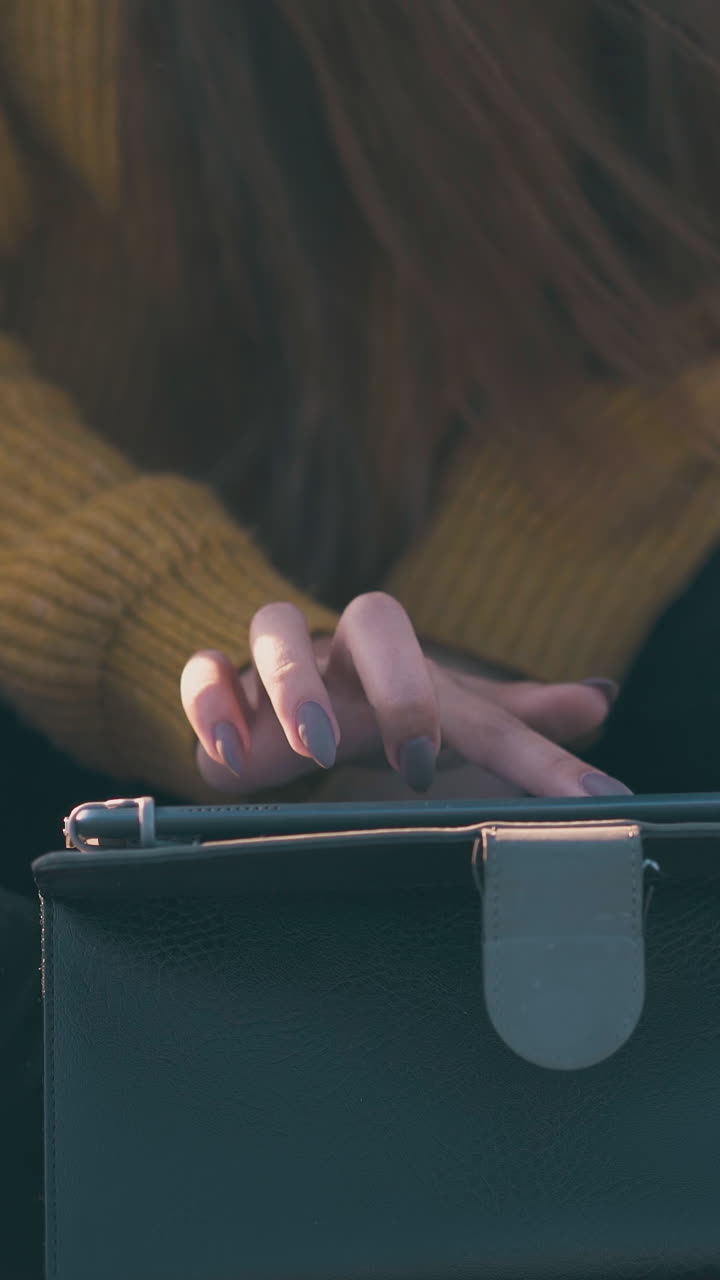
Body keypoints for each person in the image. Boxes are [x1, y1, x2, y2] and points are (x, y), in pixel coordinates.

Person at [4, 2, 720, 1273]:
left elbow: (678, 318)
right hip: (67, 696)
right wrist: (186, 626)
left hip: (585, 621)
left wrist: (473, 674)